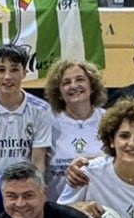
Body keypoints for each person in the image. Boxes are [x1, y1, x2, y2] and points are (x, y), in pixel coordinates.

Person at [0, 43, 51, 177]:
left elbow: (38, 161)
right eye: (1, 70)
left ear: (25, 72)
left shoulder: (41, 109)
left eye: (14, 70)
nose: (7, 77)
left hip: (26, 185)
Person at [42, 58, 105, 202]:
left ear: (92, 85)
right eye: (66, 82)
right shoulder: (47, 121)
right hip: (60, 208)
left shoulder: (109, 120)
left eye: (80, 79)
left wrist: (87, 162)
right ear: (58, 92)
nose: (74, 86)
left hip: (102, 206)